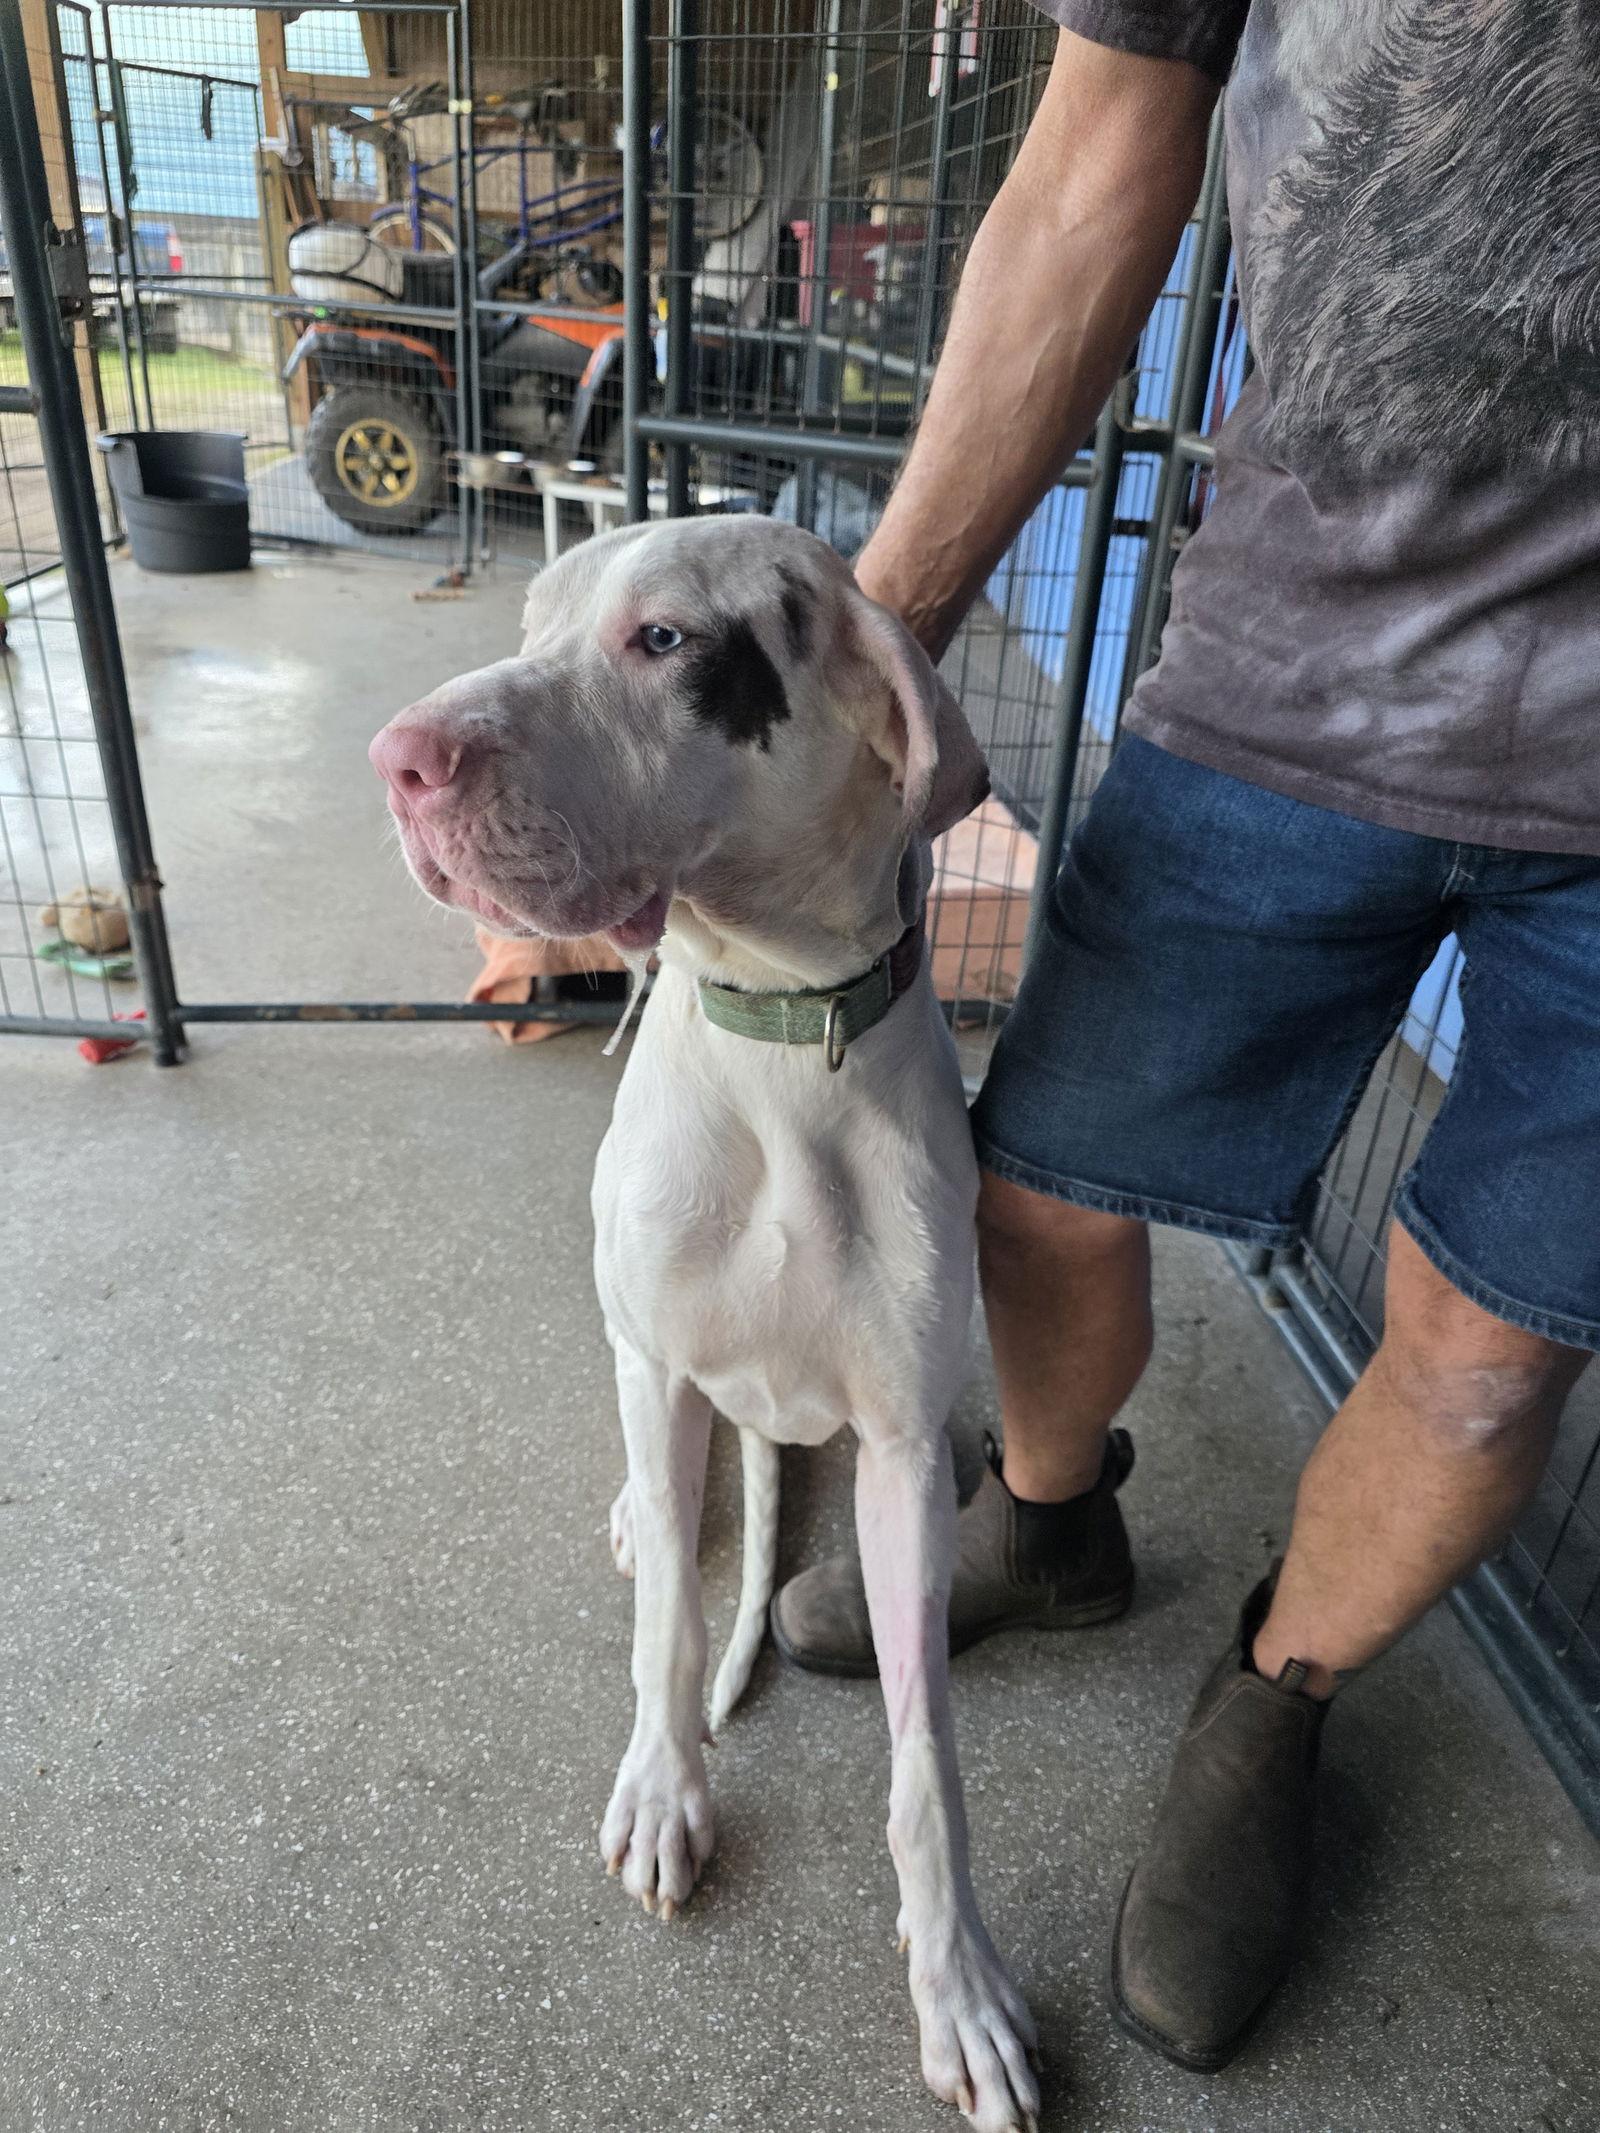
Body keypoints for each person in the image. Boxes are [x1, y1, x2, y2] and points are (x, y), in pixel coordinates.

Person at [771, 1, 1600, 2074]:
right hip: (1284, 679)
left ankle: (1279, 1684)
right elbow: (1083, 167)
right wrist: (876, 659)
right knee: (1034, 1202)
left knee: (1492, 1364)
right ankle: (1051, 1517)